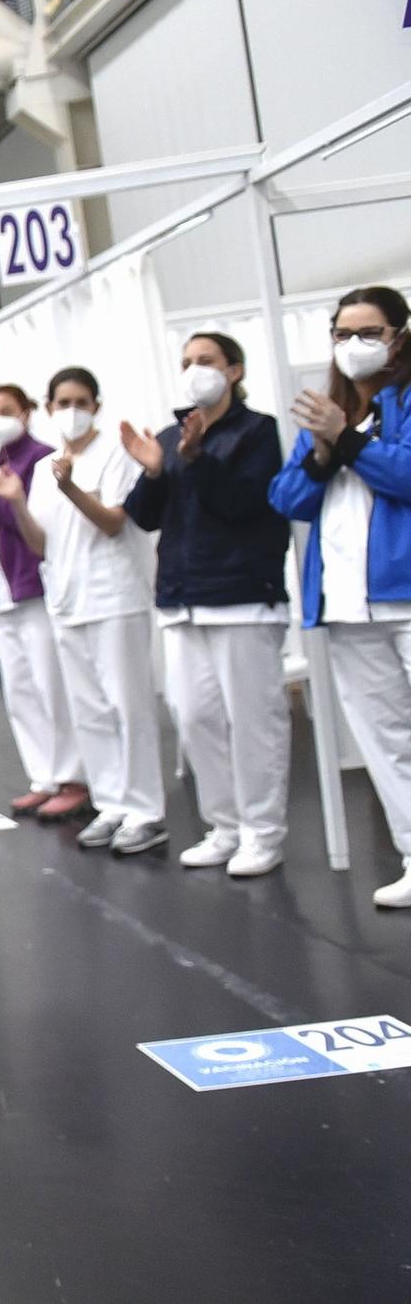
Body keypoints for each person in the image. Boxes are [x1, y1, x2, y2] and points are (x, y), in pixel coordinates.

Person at [121, 331, 292, 876]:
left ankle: (263, 833)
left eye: (208, 361)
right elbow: (146, 517)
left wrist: (196, 460)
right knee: (194, 717)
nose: (196, 370)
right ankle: (225, 825)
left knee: (253, 720)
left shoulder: (258, 431)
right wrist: (153, 471)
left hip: (242, 595)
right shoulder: (173, 435)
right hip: (182, 597)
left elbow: (246, 505)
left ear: (235, 371)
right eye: (188, 361)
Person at [0, 368, 166, 855]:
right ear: (47, 408)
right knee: (90, 711)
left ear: (97, 405)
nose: (72, 411)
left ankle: (145, 810)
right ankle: (111, 802)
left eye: (81, 401)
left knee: (129, 706)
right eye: (62, 402)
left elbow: (112, 523)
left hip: (114, 596)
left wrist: (70, 489)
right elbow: (41, 541)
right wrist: (18, 503)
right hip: (66, 599)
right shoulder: (45, 469)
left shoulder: (115, 455)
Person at [270, 286, 411, 904]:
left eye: (369, 333)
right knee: (386, 738)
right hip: (348, 604)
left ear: (400, 337)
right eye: (342, 334)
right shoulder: (328, 410)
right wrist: (325, 453)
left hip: (406, 596)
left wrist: (349, 442)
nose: (353, 346)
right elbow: (287, 499)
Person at [0, 384, 88, 821]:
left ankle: (73, 778)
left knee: (52, 688)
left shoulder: (40, 460)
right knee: (21, 693)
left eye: (6, 410)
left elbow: (30, 524)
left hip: (33, 589)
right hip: (1, 594)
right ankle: (43, 777)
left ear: (28, 413)